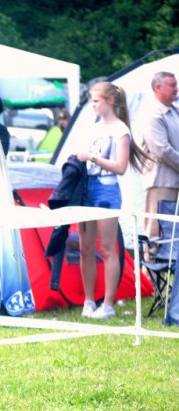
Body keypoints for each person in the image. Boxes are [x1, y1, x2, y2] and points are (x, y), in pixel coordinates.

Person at [74, 82, 149, 320]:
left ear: (110, 101)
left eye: (97, 100)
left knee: (107, 248)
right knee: (85, 248)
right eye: (92, 101)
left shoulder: (120, 130)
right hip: (87, 189)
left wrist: (93, 157)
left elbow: (121, 167)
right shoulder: (93, 128)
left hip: (107, 190)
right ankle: (88, 300)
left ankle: (107, 303)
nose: (93, 105)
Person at [141, 71, 179, 243]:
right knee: (156, 232)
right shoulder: (152, 114)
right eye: (172, 85)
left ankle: (168, 269)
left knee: (172, 236)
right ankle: (149, 270)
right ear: (158, 87)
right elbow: (162, 150)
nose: (176, 89)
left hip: (174, 180)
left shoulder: (175, 111)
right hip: (161, 182)